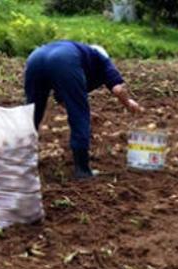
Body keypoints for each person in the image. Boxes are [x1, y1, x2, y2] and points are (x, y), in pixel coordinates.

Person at [24, 41, 143, 179]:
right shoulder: (101, 59)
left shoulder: (82, 55)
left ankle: (19, 160)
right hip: (64, 59)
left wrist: (85, 110)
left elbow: (63, 99)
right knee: (79, 116)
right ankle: (83, 170)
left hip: (35, 57)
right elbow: (118, 89)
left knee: (32, 113)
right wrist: (128, 103)